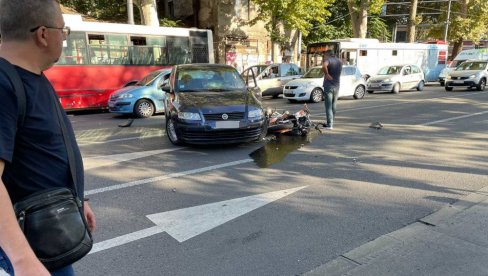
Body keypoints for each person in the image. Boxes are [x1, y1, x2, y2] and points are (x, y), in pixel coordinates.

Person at [0, 1, 96, 275]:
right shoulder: (3, 83)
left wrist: (80, 198)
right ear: (43, 34)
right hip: (30, 247)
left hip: (48, 231)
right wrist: (22, 260)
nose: (63, 38)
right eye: (63, 31)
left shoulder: (35, 76)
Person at [322, 50, 343, 130]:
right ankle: (331, 121)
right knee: (334, 105)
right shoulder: (339, 61)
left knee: (328, 106)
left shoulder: (328, 60)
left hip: (329, 85)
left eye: (325, 55)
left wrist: (327, 74)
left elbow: (324, 65)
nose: (324, 57)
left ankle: (329, 124)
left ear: (328, 55)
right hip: (337, 85)